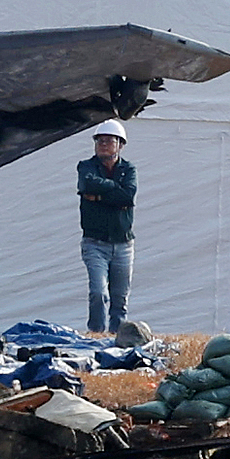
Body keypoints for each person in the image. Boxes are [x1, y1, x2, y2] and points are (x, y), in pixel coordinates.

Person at [76, 119, 136, 337]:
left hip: (123, 244)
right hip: (95, 243)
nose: (103, 144)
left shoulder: (128, 169)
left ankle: (119, 340)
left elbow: (128, 196)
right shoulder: (86, 166)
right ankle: (96, 335)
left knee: (120, 298)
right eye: (100, 141)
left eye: (109, 141)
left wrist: (99, 196)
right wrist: (114, 194)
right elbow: (87, 184)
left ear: (120, 145)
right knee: (98, 292)